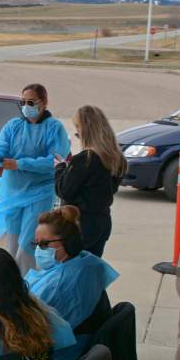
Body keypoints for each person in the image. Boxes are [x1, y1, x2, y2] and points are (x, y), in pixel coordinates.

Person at [0, 83, 69, 272]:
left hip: (39, 193)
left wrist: (20, 164)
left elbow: (55, 160)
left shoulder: (54, 128)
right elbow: (0, 148)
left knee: (28, 244)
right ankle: (12, 284)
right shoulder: (14, 126)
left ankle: (27, 288)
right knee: (12, 243)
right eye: (22, 102)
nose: (26, 106)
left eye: (31, 102)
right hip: (12, 192)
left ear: (44, 102)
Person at [26, 205, 119, 360]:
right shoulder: (85, 261)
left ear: (69, 242)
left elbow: (34, 329)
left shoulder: (65, 281)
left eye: (45, 244)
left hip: (63, 359)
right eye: (36, 244)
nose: (39, 250)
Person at [53, 105, 126, 256]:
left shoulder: (85, 160)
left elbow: (64, 190)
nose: (76, 133)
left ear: (85, 130)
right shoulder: (116, 158)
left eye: (78, 128)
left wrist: (60, 168)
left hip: (80, 224)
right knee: (91, 269)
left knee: (74, 271)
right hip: (102, 221)